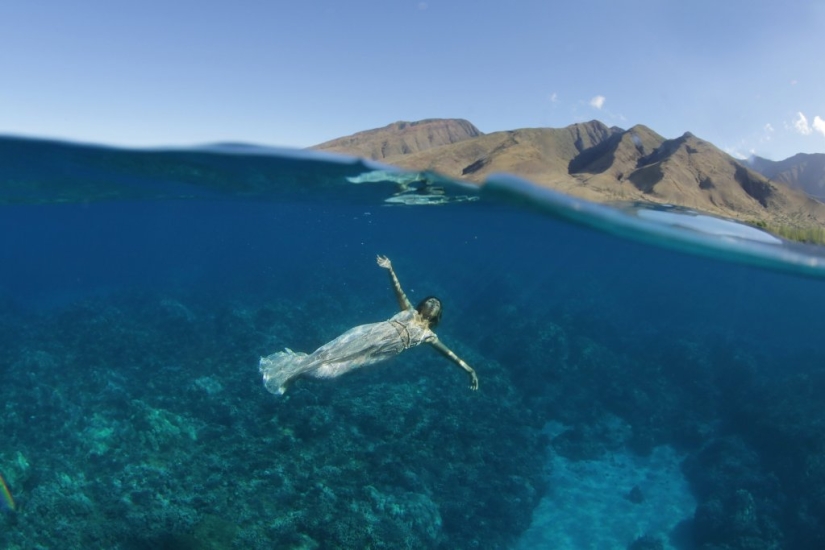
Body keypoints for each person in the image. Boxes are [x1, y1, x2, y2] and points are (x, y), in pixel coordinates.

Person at [259, 255, 479, 395]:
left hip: (382, 351)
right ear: (422, 304)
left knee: (335, 371)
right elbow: (398, 288)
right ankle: (290, 372)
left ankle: (297, 374)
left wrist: (470, 371)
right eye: (430, 300)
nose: (433, 302)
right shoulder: (408, 311)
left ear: (437, 314)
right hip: (368, 333)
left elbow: (450, 355)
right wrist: (390, 268)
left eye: (437, 304)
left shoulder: (428, 335)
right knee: (326, 352)